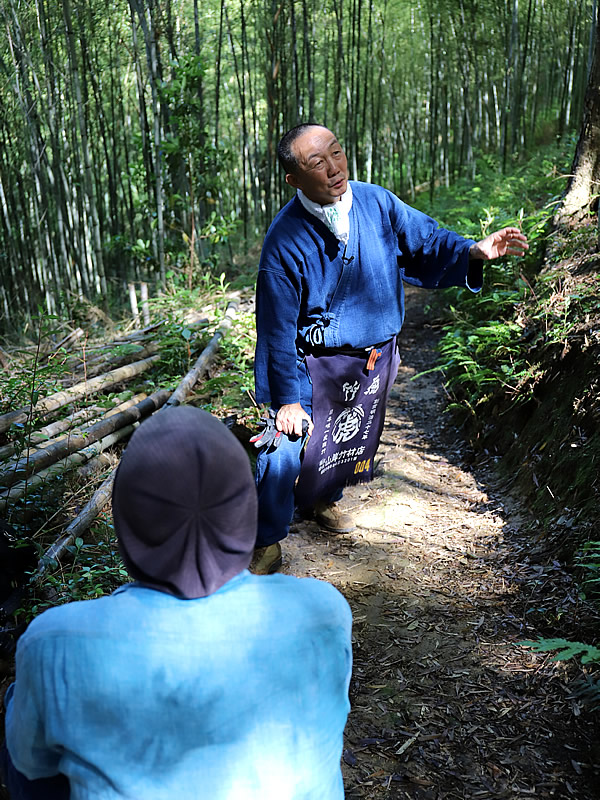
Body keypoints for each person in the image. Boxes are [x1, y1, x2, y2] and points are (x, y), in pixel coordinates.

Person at [1, 407, 352, 800]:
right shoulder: (323, 611)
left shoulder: (56, 643)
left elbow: (30, 766)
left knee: (22, 717)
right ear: (245, 513)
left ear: (126, 522)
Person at [252, 123, 528, 574]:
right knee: (285, 444)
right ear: (294, 179)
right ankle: (266, 540)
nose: (333, 168)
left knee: (347, 436)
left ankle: (323, 500)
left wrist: (473, 251)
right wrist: (285, 399)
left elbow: (426, 240)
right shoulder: (284, 240)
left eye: (336, 153)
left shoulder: (376, 201)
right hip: (311, 362)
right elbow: (277, 327)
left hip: (372, 358)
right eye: (316, 163)